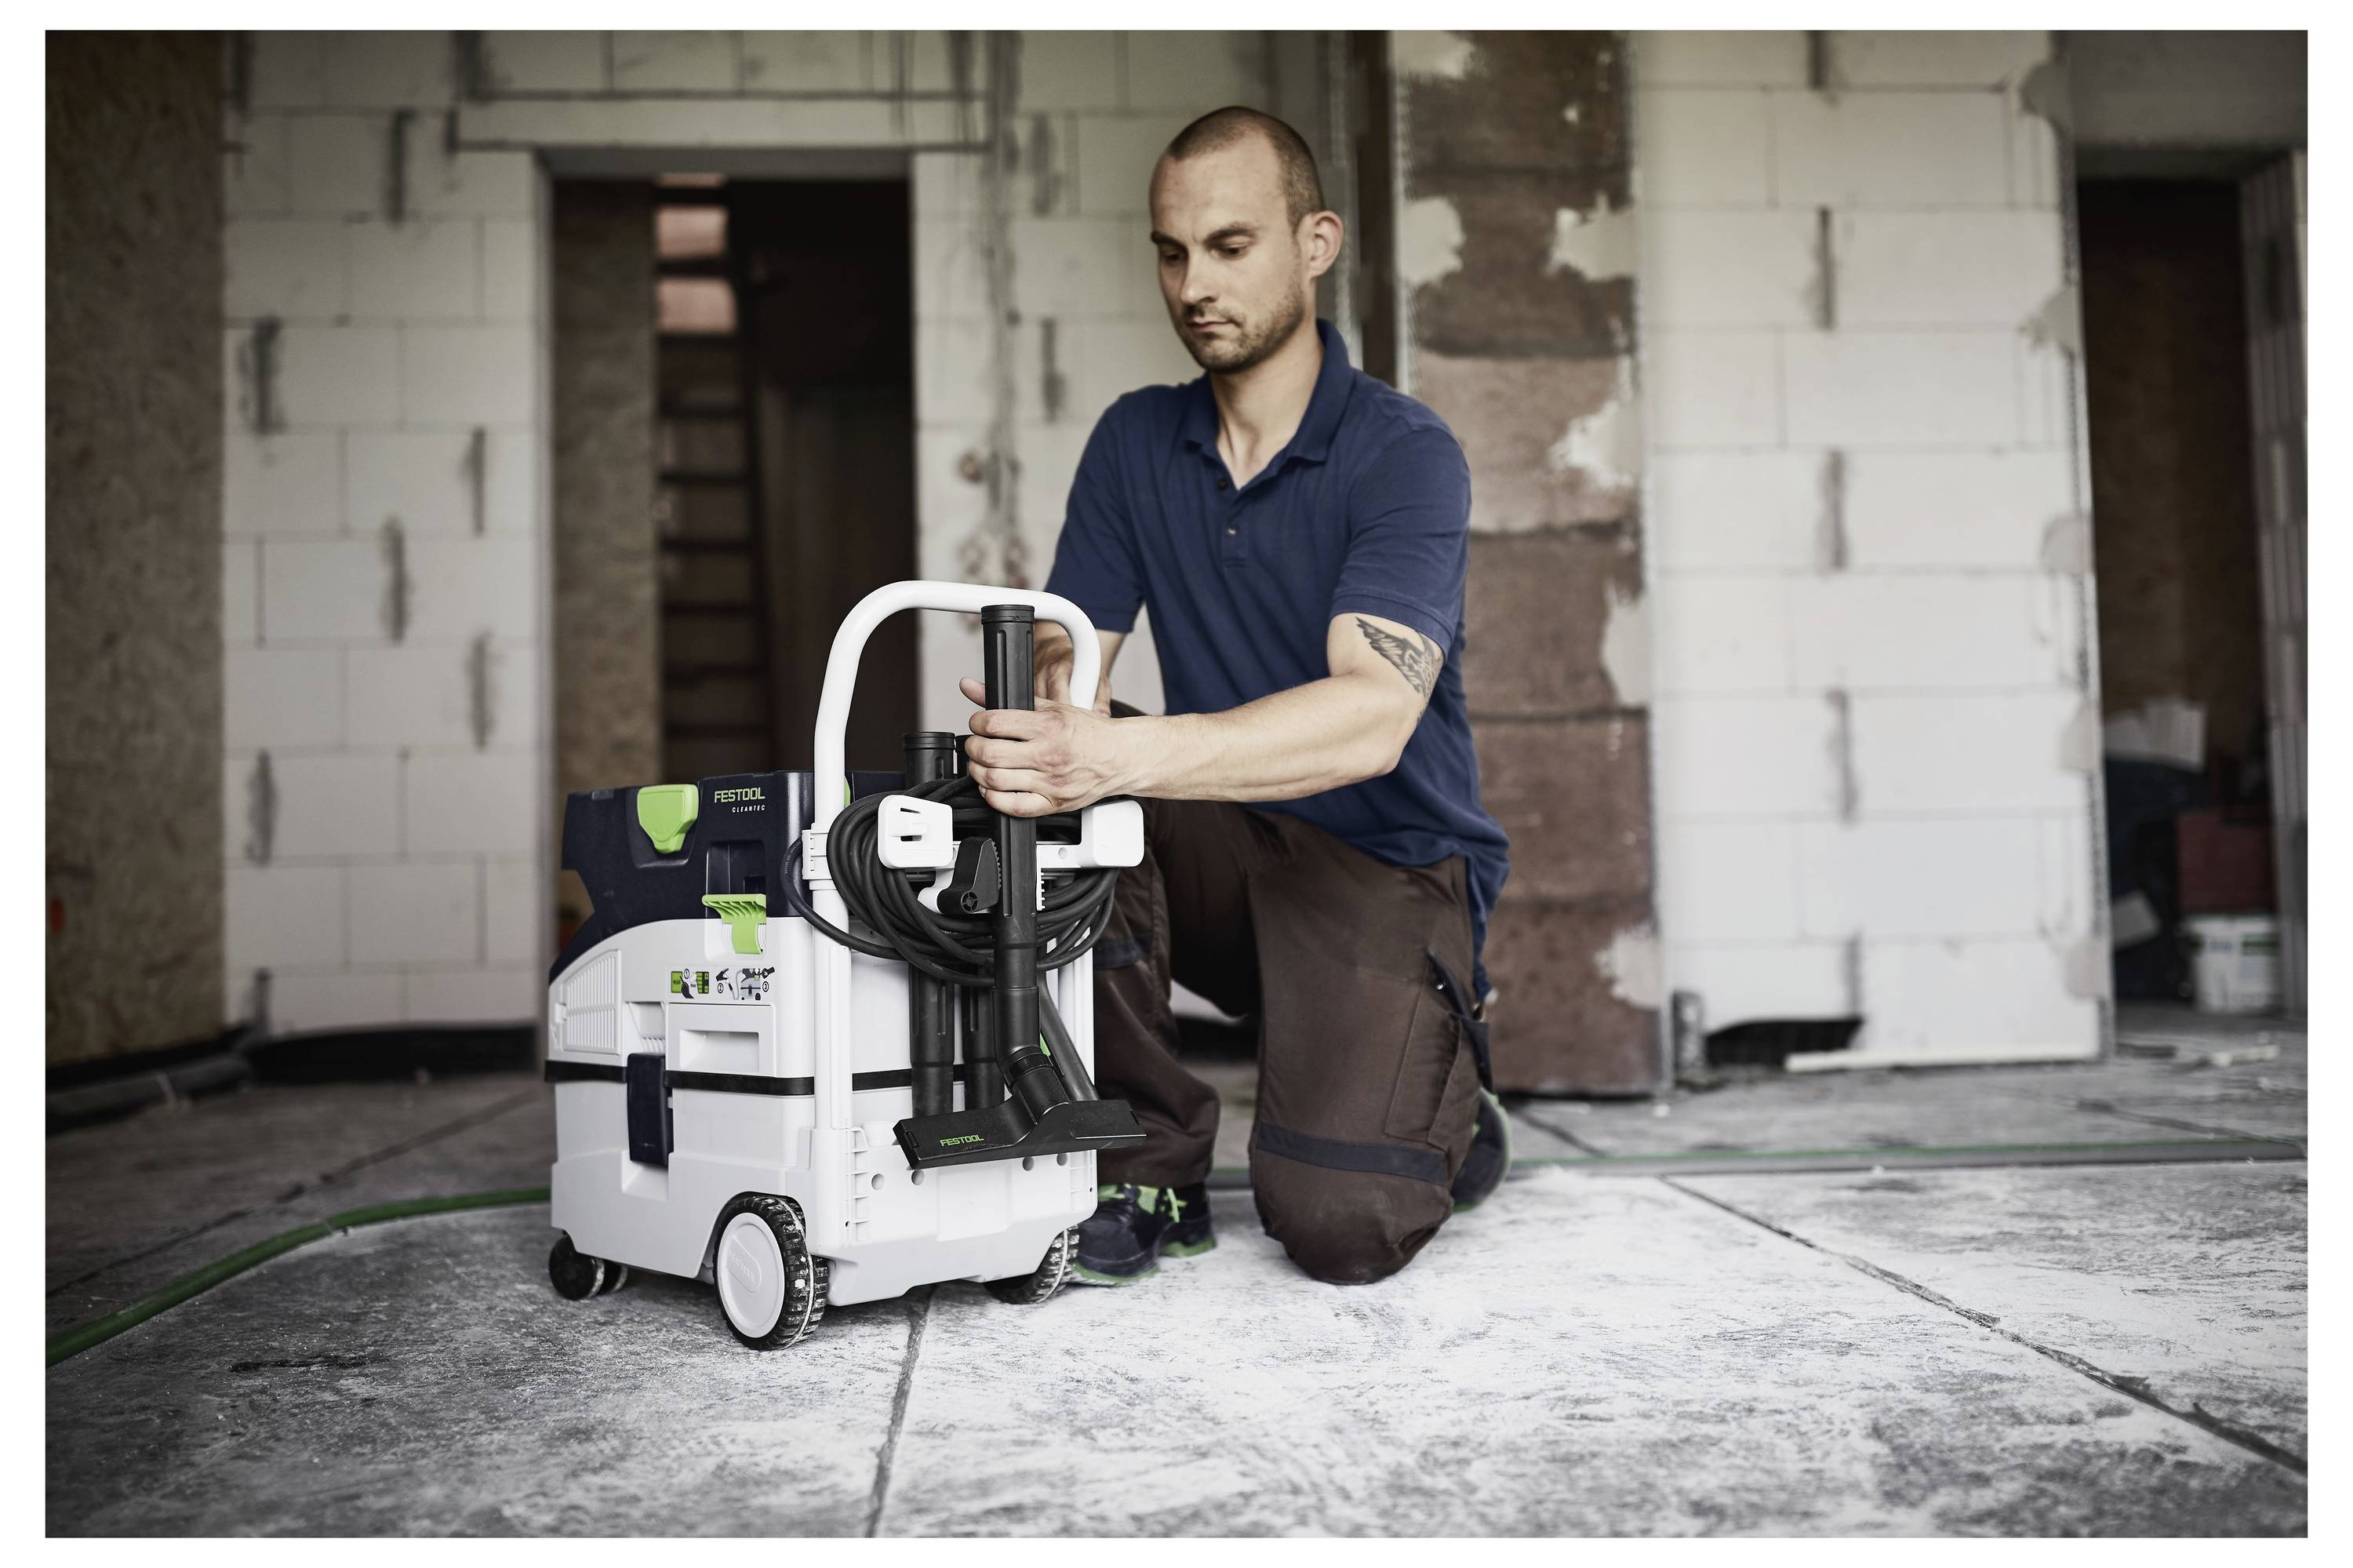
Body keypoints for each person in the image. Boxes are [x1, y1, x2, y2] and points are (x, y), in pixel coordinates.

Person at [957, 106, 1511, 1287]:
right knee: (1051, 797)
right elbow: (1083, 670)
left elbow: (1371, 714)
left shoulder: (1402, 453)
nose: (1193, 282)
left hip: (1387, 869)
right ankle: (1146, 1160)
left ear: (1315, 243)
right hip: (1227, 856)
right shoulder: (1135, 443)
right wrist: (1051, 712)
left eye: (1229, 245)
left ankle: (1444, 1066)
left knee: (1343, 1224)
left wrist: (1114, 756)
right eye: (1171, 251)